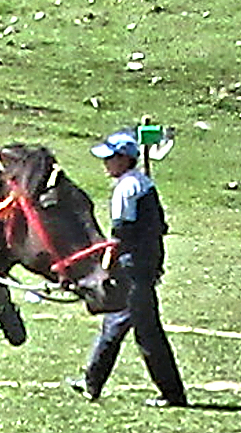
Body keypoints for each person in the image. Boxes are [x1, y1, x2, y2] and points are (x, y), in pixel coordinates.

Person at [67, 130, 187, 408]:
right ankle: (91, 382)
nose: (106, 163)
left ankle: (172, 393)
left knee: (147, 333)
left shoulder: (126, 189)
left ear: (124, 159)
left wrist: (106, 268)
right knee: (115, 324)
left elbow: (120, 234)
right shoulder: (143, 183)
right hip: (143, 265)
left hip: (132, 268)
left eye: (110, 158)